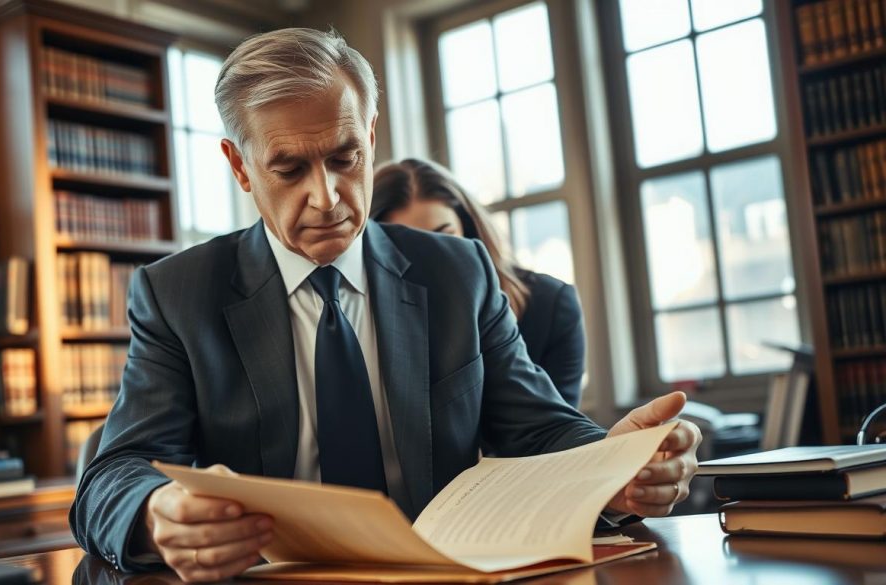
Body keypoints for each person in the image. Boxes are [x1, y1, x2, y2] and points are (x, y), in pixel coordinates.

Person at [69, 27, 702, 583]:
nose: (327, 197)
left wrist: (614, 468)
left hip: (441, 575)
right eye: (288, 169)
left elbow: (539, 430)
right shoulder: (178, 294)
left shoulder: (457, 272)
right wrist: (158, 516)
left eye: (347, 159)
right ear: (239, 165)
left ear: (371, 136)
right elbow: (112, 475)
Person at [371, 159, 586, 408]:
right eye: (411, 247)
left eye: (445, 237)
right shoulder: (370, 322)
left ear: (469, 228)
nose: (433, 257)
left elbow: (559, 427)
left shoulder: (551, 305)